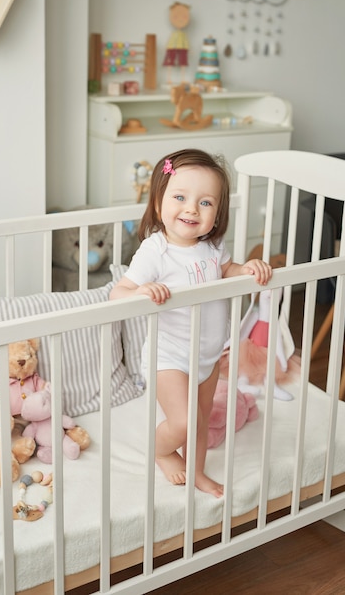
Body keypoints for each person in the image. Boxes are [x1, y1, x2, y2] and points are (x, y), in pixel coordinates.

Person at [110, 149, 272, 497]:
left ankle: (196, 471)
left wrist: (247, 270)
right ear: (158, 203)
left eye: (205, 203)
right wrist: (141, 291)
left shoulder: (212, 246)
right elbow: (117, 293)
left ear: (217, 214)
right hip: (169, 357)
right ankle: (162, 450)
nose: (191, 209)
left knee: (200, 420)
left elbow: (228, 270)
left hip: (208, 355)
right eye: (180, 197)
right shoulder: (156, 251)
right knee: (184, 422)